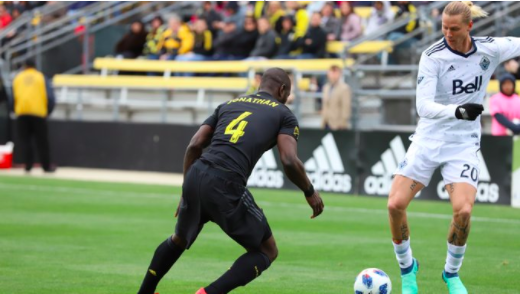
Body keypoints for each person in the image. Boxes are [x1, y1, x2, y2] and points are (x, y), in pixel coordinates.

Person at [136, 68, 324, 294]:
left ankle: (144, 292)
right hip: (226, 182)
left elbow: (195, 145)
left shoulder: (228, 105)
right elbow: (289, 160)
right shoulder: (284, 114)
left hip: (197, 173)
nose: (288, 98)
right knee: (267, 250)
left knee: (179, 239)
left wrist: (186, 189)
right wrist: (309, 191)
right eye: (288, 93)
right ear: (282, 90)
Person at [387, 2, 520, 294]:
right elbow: (423, 106)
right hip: (428, 139)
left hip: (462, 144)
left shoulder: (490, 49)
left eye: (454, 28)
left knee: (463, 211)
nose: (447, 32)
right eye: (444, 27)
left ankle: (451, 274)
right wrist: (458, 111)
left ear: (469, 26)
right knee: (395, 205)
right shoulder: (432, 56)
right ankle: (408, 270)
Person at [11, 60, 56, 173]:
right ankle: (46, 166)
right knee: (42, 142)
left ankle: (28, 165)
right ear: (35, 66)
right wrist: (48, 111)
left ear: (25, 66)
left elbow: (13, 97)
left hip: (22, 113)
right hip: (38, 113)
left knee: (25, 141)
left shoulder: (18, 78)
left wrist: (14, 109)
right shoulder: (41, 77)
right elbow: (50, 96)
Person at [321, 65, 352, 130]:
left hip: (338, 125)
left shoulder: (344, 88)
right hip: (326, 123)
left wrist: (342, 124)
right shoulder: (326, 87)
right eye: (331, 72)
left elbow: (346, 108)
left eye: (335, 72)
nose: (333, 75)